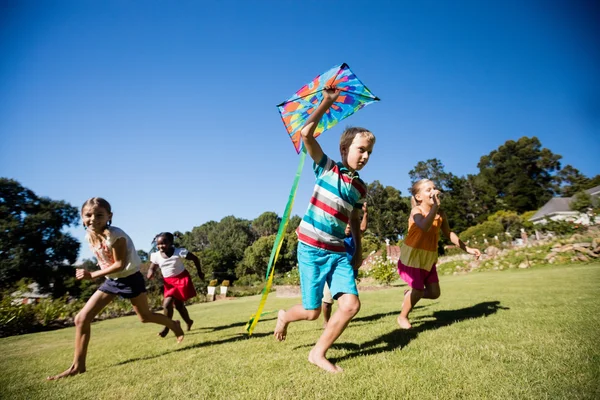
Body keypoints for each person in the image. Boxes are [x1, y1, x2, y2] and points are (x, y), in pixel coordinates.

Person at [273, 87, 375, 373]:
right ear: (344, 150)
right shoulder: (327, 168)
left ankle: (317, 353)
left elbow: (354, 220)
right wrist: (327, 101)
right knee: (311, 311)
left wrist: (358, 250)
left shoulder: (360, 187)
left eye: (369, 152)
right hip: (311, 248)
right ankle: (284, 316)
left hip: (338, 251)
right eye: (360, 149)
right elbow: (306, 134)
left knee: (351, 305)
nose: (365, 156)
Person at [47, 197, 184, 380]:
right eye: (88, 215)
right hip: (112, 281)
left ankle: (174, 325)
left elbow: (119, 264)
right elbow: (107, 263)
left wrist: (92, 275)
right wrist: (100, 274)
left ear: (109, 216)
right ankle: (78, 366)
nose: (93, 219)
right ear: (82, 217)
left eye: (99, 215)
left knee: (145, 317)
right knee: (81, 318)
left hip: (130, 279)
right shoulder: (90, 235)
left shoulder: (116, 236)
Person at [397, 180, 481, 329]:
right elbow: (423, 226)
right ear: (418, 197)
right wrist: (435, 207)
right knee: (417, 288)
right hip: (413, 256)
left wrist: (466, 248)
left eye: (435, 188)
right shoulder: (417, 211)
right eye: (428, 189)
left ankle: (408, 295)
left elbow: (449, 233)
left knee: (434, 293)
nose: (434, 191)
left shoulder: (440, 214)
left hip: (428, 256)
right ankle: (403, 317)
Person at [147, 232, 204, 337]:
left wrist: (199, 272)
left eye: (163, 243)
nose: (160, 246)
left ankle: (166, 328)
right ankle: (189, 321)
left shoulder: (178, 252)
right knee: (179, 306)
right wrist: (150, 272)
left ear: (171, 243)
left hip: (181, 279)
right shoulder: (156, 256)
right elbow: (152, 267)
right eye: (158, 244)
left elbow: (195, 258)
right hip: (169, 283)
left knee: (167, 304)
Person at [322, 202, 368, 329]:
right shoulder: (335, 236)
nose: (348, 226)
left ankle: (339, 321)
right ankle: (326, 322)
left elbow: (362, 228)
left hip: (349, 271)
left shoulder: (354, 236)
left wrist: (366, 213)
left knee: (348, 301)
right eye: (346, 223)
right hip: (331, 271)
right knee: (327, 301)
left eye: (350, 223)